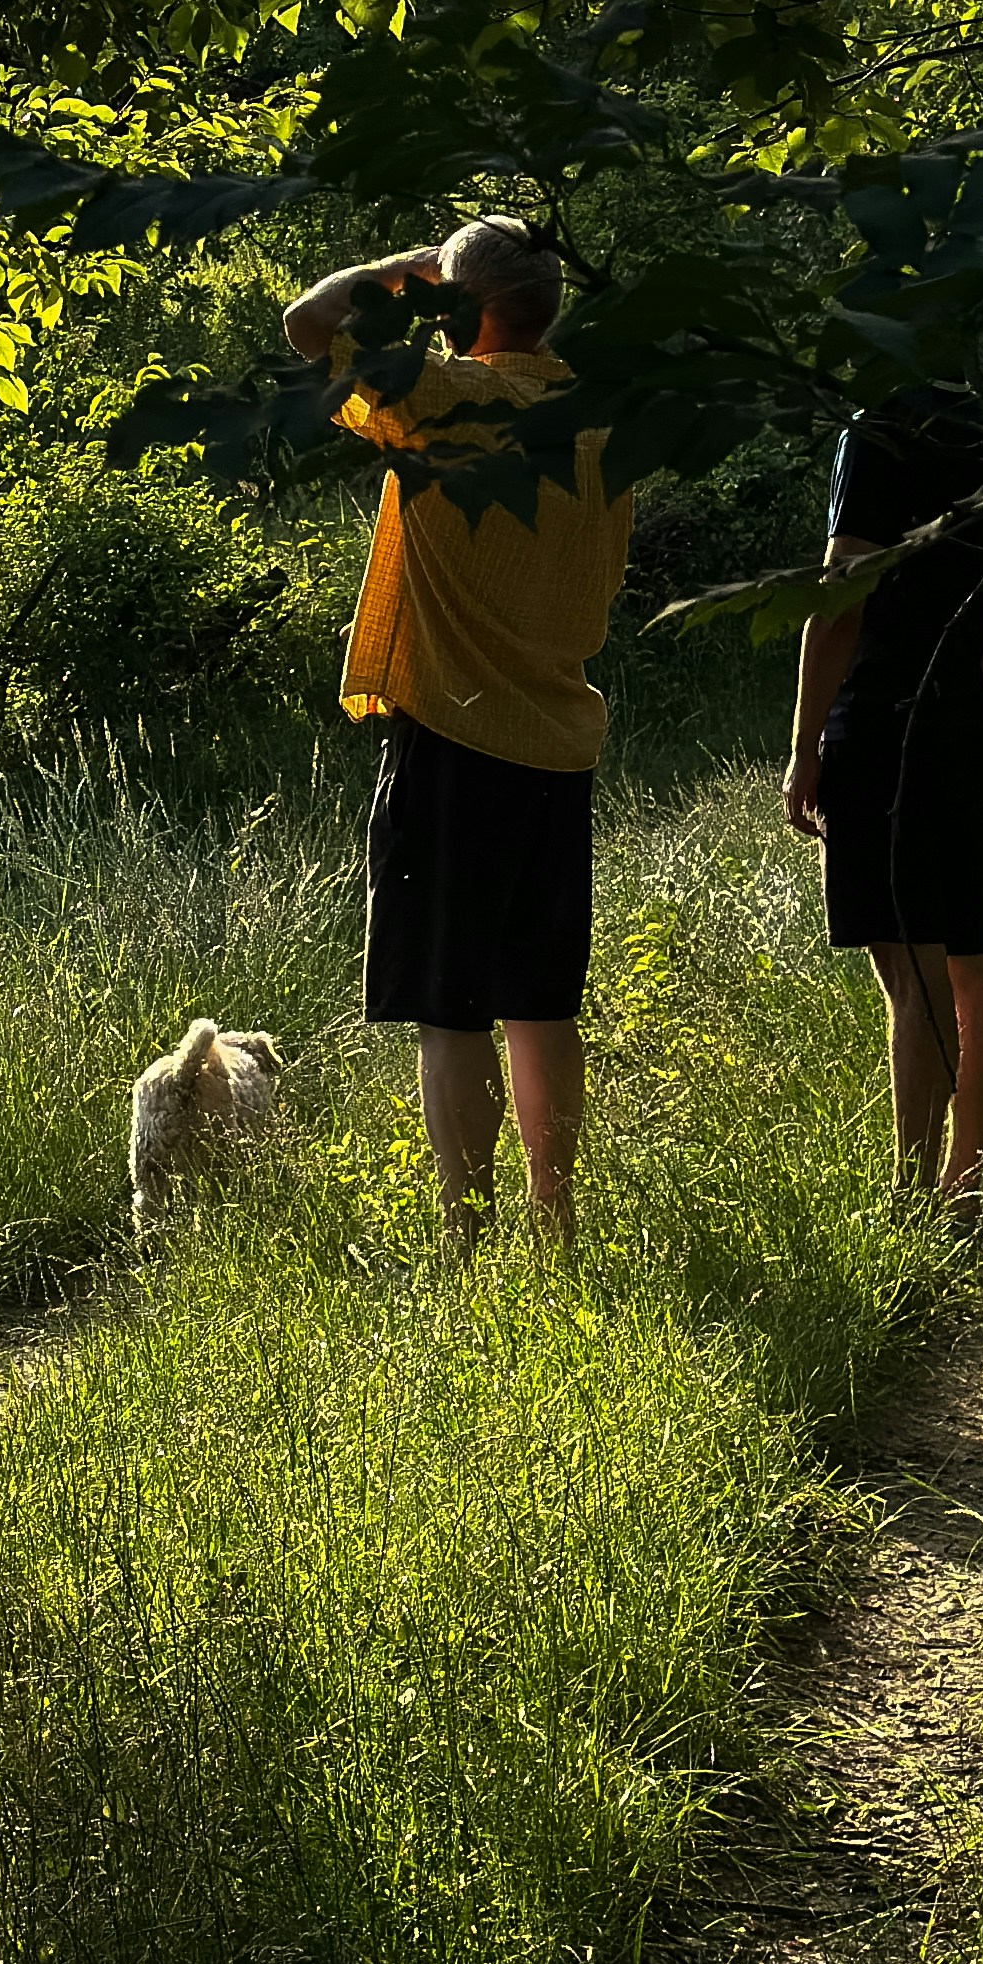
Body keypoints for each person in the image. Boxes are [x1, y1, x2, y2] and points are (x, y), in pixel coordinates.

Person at [282, 216, 632, 1252]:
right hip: (559, 742)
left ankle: (463, 1234)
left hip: (452, 739)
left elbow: (309, 324)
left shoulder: (448, 405)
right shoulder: (599, 418)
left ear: (461, 305)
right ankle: (555, 1227)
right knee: (541, 1001)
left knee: (452, 1008)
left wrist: (405, 270)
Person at [782, 400, 983, 1218]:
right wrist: (970, 708)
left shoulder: (879, 427)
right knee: (963, 951)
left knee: (912, 969)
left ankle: (913, 1198)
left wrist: (805, 742)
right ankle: (964, 1185)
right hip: (958, 714)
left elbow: (843, 592)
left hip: (885, 717)